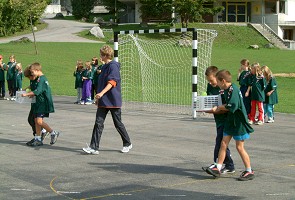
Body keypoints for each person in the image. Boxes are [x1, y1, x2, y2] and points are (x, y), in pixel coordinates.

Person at [82, 45, 132, 155]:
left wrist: (101, 93)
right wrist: (98, 98)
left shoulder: (113, 66)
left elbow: (112, 82)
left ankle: (127, 143)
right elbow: (101, 84)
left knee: (118, 123)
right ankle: (94, 147)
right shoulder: (103, 67)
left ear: (106, 55)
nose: (100, 56)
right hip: (103, 101)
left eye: (101, 54)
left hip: (113, 100)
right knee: (98, 123)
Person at [207, 70, 255, 181]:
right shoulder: (227, 89)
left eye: (218, 82)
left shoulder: (233, 90)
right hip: (230, 120)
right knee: (223, 143)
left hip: (238, 122)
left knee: (239, 147)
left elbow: (231, 106)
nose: (217, 85)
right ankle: (218, 167)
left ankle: (249, 170)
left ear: (223, 81)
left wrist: (218, 108)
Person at [202, 66, 235, 174]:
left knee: (220, 142)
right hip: (218, 119)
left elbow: (226, 108)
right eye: (208, 81)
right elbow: (210, 101)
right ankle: (229, 165)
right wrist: (203, 107)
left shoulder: (225, 89)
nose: (210, 83)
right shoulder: (210, 86)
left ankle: (217, 164)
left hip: (226, 119)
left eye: (212, 80)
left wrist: (212, 111)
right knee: (223, 143)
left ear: (217, 77)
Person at [22, 62, 60, 146]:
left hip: (42, 103)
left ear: (37, 70)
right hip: (38, 102)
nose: (31, 74)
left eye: (32, 72)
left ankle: (53, 132)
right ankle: (38, 138)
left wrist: (27, 94)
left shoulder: (42, 79)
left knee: (39, 121)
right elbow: (34, 88)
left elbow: (38, 91)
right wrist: (27, 90)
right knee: (36, 121)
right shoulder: (38, 78)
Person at [23, 67, 48, 145]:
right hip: (34, 102)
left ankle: (38, 136)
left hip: (39, 103)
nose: (30, 79)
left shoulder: (39, 79)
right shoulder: (33, 79)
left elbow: (38, 90)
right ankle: (39, 134)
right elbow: (32, 86)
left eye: (30, 77)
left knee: (35, 120)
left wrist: (27, 93)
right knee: (31, 119)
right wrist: (27, 88)